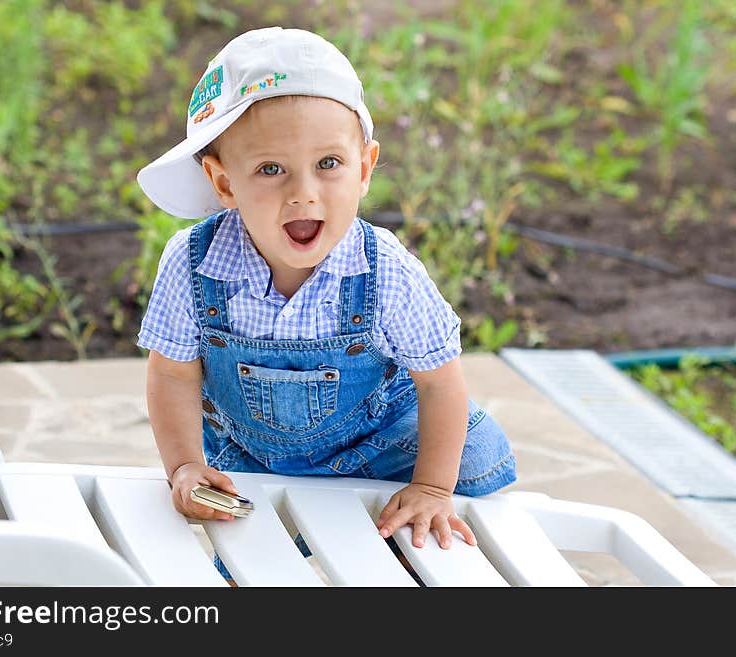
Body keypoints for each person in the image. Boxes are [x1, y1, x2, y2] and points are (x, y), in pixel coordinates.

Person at [135, 27, 517, 571]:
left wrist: (432, 486)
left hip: (375, 444)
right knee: (251, 558)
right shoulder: (193, 263)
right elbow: (172, 374)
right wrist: (183, 466)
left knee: (462, 459)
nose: (303, 192)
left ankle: (398, 543)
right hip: (253, 454)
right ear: (223, 183)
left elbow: (439, 381)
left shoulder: (383, 269)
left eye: (329, 164)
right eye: (271, 169)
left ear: (363, 168)